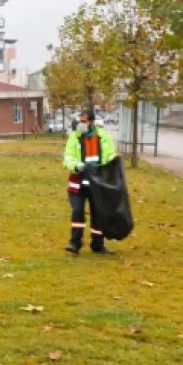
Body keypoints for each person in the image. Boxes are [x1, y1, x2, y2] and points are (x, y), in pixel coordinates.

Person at [62, 110, 117, 256]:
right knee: (77, 211)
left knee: (98, 214)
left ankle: (98, 245)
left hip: (98, 183)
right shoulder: (74, 138)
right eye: (80, 121)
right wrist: (76, 165)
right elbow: (67, 157)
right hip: (78, 182)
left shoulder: (104, 138)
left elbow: (110, 157)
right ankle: (75, 243)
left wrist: (113, 163)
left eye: (84, 121)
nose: (81, 124)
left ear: (92, 122)